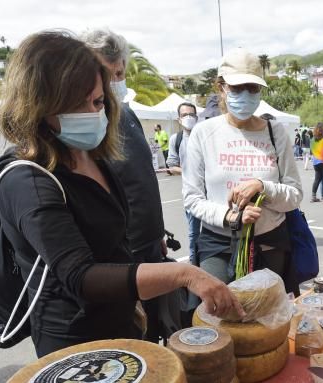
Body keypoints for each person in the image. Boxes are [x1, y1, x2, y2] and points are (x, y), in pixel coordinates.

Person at [0, 30, 240, 358]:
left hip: (125, 319)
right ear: (40, 105)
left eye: (97, 101)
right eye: (78, 104)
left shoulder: (90, 152)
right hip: (78, 345)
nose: (95, 114)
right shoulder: (27, 179)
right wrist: (184, 272)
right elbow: (82, 276)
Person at [183, 48, 303, 295]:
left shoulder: (275, 131)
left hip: (270, 245)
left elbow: (295, 195)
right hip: (218, 245)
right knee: (216, 317)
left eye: (253, 88)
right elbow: (192, 199)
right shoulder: (204, 133)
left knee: (267, 322)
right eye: (237, 88)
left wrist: (263, 186)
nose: (246, 95)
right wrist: (231, 216)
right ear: (221, 88)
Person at [82, 28, 175, 342]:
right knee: (133, 336)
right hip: (119, 254)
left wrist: (156, 233)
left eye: (118, 73)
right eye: (104, 73)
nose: (113, 81)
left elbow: (141, 180)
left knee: (154, 328)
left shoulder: (126, 113)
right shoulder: (88, 123)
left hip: (147, 245)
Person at [167, 101, 201, 266]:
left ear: (197, 117)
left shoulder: (204, 136)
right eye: (184, 115)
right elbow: (171, 165)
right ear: (179, 119)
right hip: (191, 194)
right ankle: (195, 265)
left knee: (215, 232)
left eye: (191, 114)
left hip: (211, 194)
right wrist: (188, 171)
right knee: (194, 233)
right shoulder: (176, 139)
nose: (188, 117)